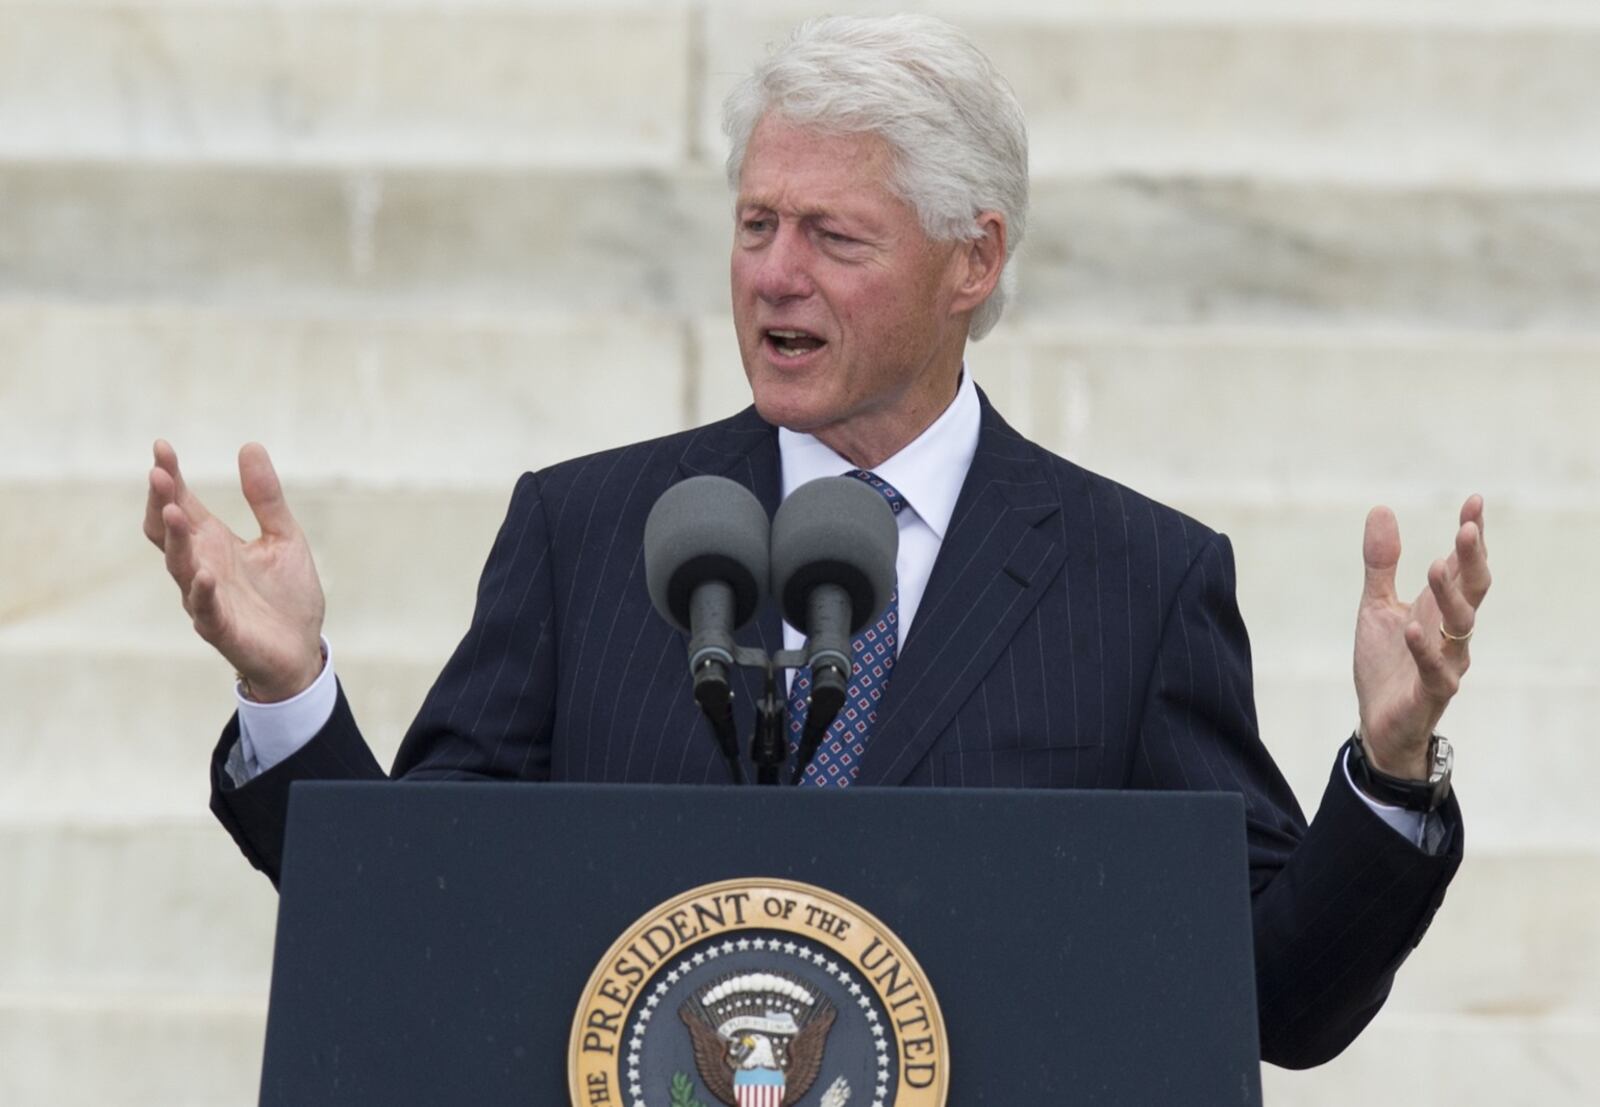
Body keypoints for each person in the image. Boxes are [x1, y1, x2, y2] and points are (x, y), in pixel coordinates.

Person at [142, 15, 1490, 1069]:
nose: (774, 273)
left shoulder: (1134, 580)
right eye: (754, 225)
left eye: (833, 235)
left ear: (974, 259)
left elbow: (1274, 998)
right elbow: (426, 911)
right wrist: (289, 692)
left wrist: (1387, 771)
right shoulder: (590, 532)